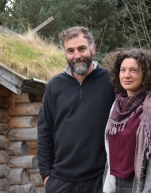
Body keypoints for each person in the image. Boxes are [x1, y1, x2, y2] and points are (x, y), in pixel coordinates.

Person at [37, 26, 115, 193]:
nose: (77, 56)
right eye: (70, 51)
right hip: (61, 182)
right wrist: (46, 176)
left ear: (93, 48)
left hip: (100, 180)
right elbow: (45, 132)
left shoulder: (111, 82)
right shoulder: (54, 86)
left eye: (81, 49)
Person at [103, 48, 151, 193]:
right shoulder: (117, 106)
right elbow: (110, 156)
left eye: (134, 70)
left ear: (146, 74)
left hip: (143, 187)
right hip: (115, 185)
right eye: (123, 70)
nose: (126, 75)